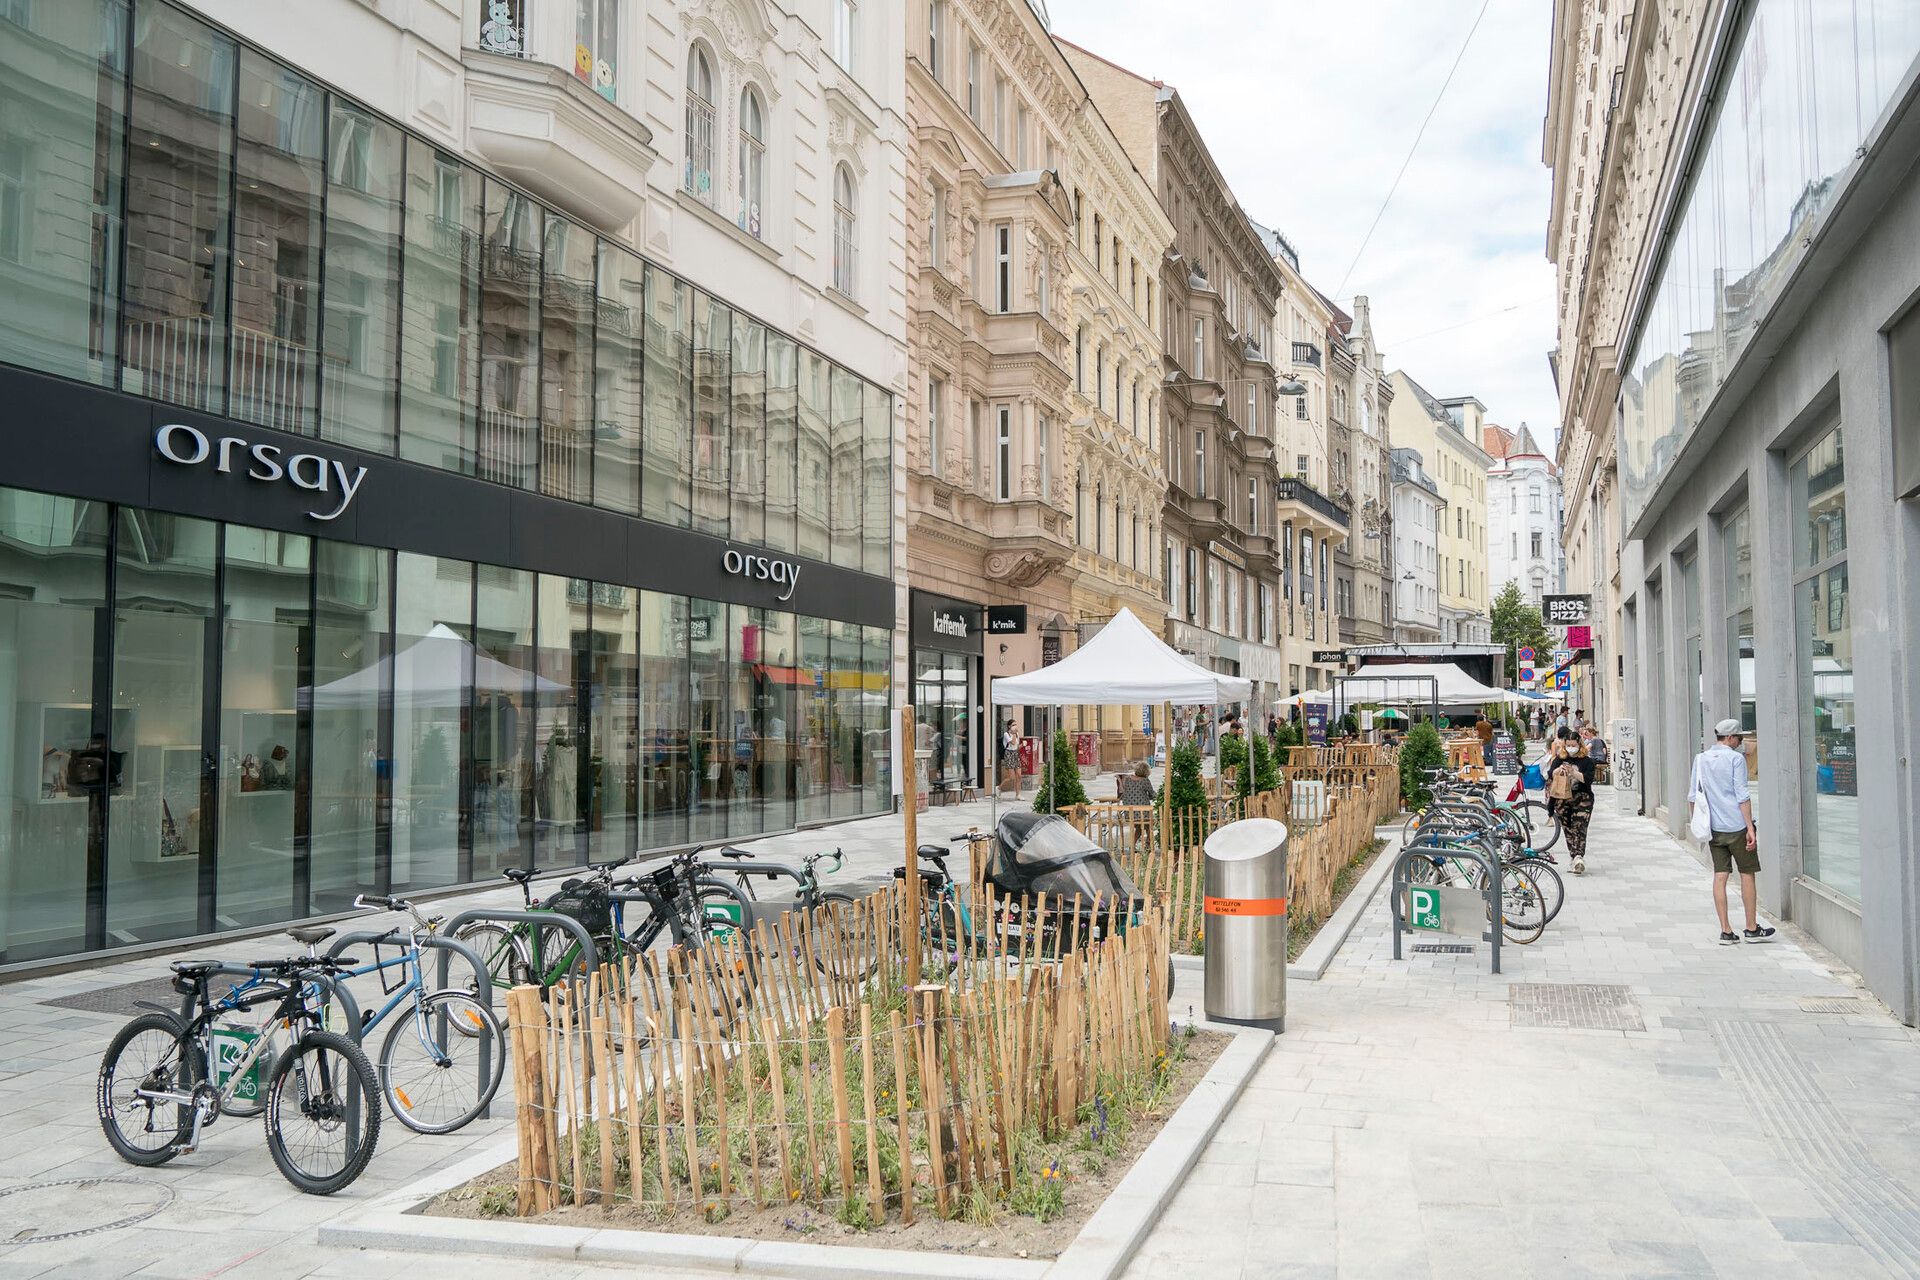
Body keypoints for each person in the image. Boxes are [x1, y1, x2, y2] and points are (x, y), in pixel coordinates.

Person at [1690, 718, 1773, 944]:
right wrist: (1750, 828)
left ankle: (1726, 931)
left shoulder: (1701, 759)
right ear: (1729, 737)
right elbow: (1742, 795)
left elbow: (1693, 797)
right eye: (1739, 737)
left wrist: (1700, 824)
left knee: (1720, 876)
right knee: (1747, 874)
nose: (1741, 742)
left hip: (1714, 829)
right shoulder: (1736, 759)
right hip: (1736, 826)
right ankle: (1751, 928)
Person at [1546, 729, 1597, 875]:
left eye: (1573, 745)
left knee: (1579, 827)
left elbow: (1588, 779)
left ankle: (1578, 856)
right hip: (1562, 799)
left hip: (1583, 798)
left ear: (1579, 744)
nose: (1570, 748)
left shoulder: (1587, 761)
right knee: (1568, 828)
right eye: (1568, 745)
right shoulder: (1559, 759)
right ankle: (1574, 857)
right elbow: (1550, 774)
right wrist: (1557, 771)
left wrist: (1573, 772)